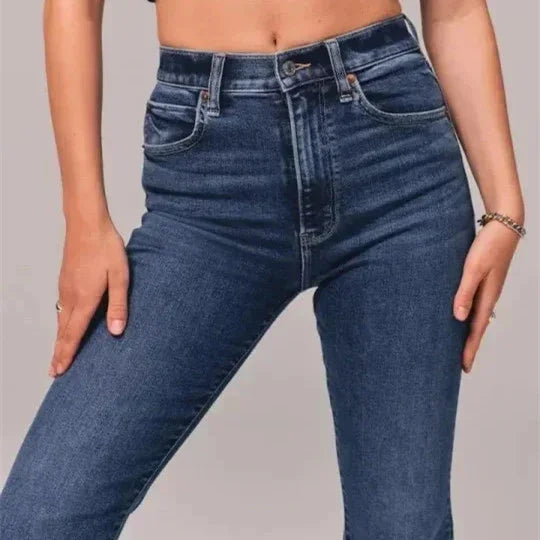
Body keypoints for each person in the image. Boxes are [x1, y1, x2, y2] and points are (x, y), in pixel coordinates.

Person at [0, 0, 526, 538]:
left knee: (402, 529)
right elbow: (73, 9)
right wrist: (85, 223)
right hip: (209, 185)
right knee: (41, 519)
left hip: (391, 159)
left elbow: (456, 11)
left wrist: (506, 206)